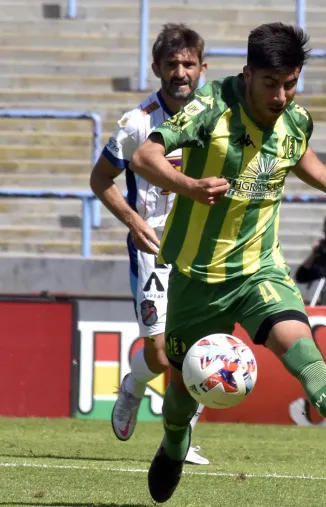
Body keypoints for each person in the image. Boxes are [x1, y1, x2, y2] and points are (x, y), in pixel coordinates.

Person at [128, 22, 326, 503]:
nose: (281, 96)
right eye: (271, 84)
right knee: (180, 389)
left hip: (260, 267)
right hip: (199, 276)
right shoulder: (208, 107)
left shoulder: (296, 118)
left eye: (290, 84)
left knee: (301, 349)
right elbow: (143, 155)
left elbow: (297, 153)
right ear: (246, 75)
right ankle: (175, 443)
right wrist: (191, 187)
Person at [89, 23, 210, 466]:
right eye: (172, 64)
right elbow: (100, 179)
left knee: (198, 348)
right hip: (153, 249)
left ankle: (183, 439)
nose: (181, 72)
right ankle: (134, 385)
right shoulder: (137, 124)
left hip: (202, 250)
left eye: (189, 63)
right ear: (156, 67)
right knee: (160, 354)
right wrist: (133, 219)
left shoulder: (217, 119)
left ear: (202, 68)